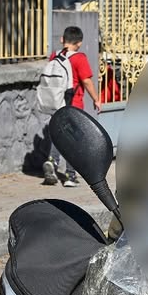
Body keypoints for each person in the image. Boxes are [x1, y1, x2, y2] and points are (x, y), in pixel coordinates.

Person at [44, 26, 100, 188]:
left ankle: (52, 161)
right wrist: (96, 99)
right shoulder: (79, 58)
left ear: (63, 39)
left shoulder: (56, 55)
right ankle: (70, 175)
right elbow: (87, 81)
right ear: (79, 42)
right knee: (74, 141)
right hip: (73, 105)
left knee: (59, 135)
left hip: (57, 103)